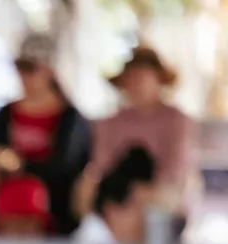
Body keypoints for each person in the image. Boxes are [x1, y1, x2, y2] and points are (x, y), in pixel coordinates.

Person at [0, 33, 89, 237]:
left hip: (52, 210)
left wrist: (19, 164)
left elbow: (66, 169)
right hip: (4, 205)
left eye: (30, 69)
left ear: (49, 70)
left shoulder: (70, 118)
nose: (24, 77)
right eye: (19, 68)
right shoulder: (5, 114)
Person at [83, 47, 193, 220]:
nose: (135, 84)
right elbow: (101, 163)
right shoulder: (109, 123)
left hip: (159, 190)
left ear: (159, 80)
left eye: (141, 78)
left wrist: (142, 190)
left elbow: (175, 167)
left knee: (157, 197)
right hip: (116, 189)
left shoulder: (177, 120)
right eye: (130, 78)